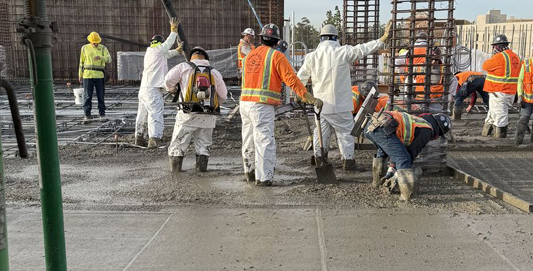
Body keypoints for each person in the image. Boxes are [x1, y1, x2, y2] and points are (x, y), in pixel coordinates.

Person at [297, 21, 392, 171]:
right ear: (336, 38)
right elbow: (362, 49)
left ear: (321, 38)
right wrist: (380, 41)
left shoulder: (311, 57)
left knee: (320, 133)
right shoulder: (343, 52)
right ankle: (348, 164)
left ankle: (319, 160)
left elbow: (299, 79)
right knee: (345, 135)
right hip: (341, 105)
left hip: (320, 105)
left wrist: (300, 94)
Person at [241, 23, 320, 186]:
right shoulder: (276, 56)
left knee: (248, 139)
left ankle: (249, 172)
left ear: (261, 39)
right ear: (277, 41)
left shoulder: (249, 56)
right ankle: (264, 179)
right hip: (261, 106)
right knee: (264, 141)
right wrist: (305, 95)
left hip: (245, 103)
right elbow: (291, 79)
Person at [164, 46, 227, 173]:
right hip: (208, 115)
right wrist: (212, 105)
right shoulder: (214, 72)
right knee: (204, 144)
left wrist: (173, 90)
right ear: (206, 58)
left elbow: (168, 80)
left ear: (190, 58)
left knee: (179, 143)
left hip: (187, 111)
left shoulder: (183, 67)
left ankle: (176, 172)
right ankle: (202, 171)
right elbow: (223, 95)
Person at [365, 111, 452, 201]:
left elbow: (396, 150)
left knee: (384, 151)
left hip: (372, 124)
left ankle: (378, 182)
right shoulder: (427, 130)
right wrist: (396, 176)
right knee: (404, 159)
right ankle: (407, 197)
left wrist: (391, 171)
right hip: (382, 129)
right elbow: (410, 153)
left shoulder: (420, 121)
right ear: (438, 134)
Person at [135, 17, 183, 148]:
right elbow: (167, 45)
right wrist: (173, 31)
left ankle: (139, 137)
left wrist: (177, 51)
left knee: (142, 115)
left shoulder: (151, 52)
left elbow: (167, 53)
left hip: (144, 89)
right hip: (152, 90)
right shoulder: (158, 50)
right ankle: (154, 139)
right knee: (155, 113)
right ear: (159, 43)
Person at [482, 34, 521, 138]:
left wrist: (494, 56)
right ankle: (485, 134)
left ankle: (500, 140)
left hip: (498, 92)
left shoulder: (499, 57)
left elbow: (485, 66)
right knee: (492, 115)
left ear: (498, 47)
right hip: (510, 92)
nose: (493, 49)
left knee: (500, 117)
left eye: (494, 47)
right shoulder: (516, 57)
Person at [78, 31, 112, 123]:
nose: (95, 44)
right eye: (94, 42)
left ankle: (102, 114)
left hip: (99, 75)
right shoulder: (84, 48)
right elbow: (81, 62)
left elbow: (109, 59)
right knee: (87, 96)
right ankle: (87, 115)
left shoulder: (103, 48)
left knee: (100, 95)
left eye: (97, 42)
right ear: (90, 41)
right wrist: (80, 74)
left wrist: (101, 57)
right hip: (87, 75)